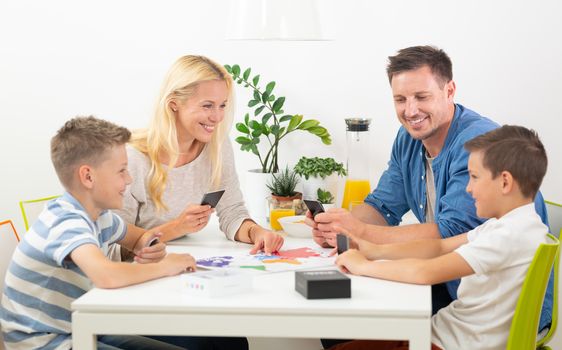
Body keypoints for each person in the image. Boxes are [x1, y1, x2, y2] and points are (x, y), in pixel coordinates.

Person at [307, 46, 552, 336]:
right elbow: (382, 205)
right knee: (337, 318)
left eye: (422, 97)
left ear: (450, 91)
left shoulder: (480, 147)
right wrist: (341, 226)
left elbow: (447, 235)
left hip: (477, 309)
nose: (410, 111)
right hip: (456, 296)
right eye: (400, 99)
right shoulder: (409, 137)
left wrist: (360, 238)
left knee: (345, 325)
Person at [113, 55, 284, 349]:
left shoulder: (216, 145)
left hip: (184, 276)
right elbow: (114, 239)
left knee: (233, 342)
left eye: (222, 106)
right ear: (174, 103)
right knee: (201, 342)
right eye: (207, 105)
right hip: (141, 284)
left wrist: (258, 233)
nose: (217, 117)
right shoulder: (133, 157)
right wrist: (175, 228)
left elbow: (232, 212)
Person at [333, 125, 550, 350]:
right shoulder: (511, 226)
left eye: (474, 177)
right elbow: (439, 247)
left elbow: (425, 272)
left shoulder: (508, 236)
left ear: (505, 182)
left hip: (449, 344)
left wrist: (362, 267)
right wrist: (372, 251)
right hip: (442, 334)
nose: (467, 188)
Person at [0, 116, 194, 350]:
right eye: (122, 171)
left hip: (78, 329)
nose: (129, 179)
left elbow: (139, 237)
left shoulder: (99, 216)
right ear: (88, 176)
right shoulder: (66, 221)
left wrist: (149, 246)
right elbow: (107, 276)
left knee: (209, 342)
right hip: (47, 343)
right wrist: (165, 266)